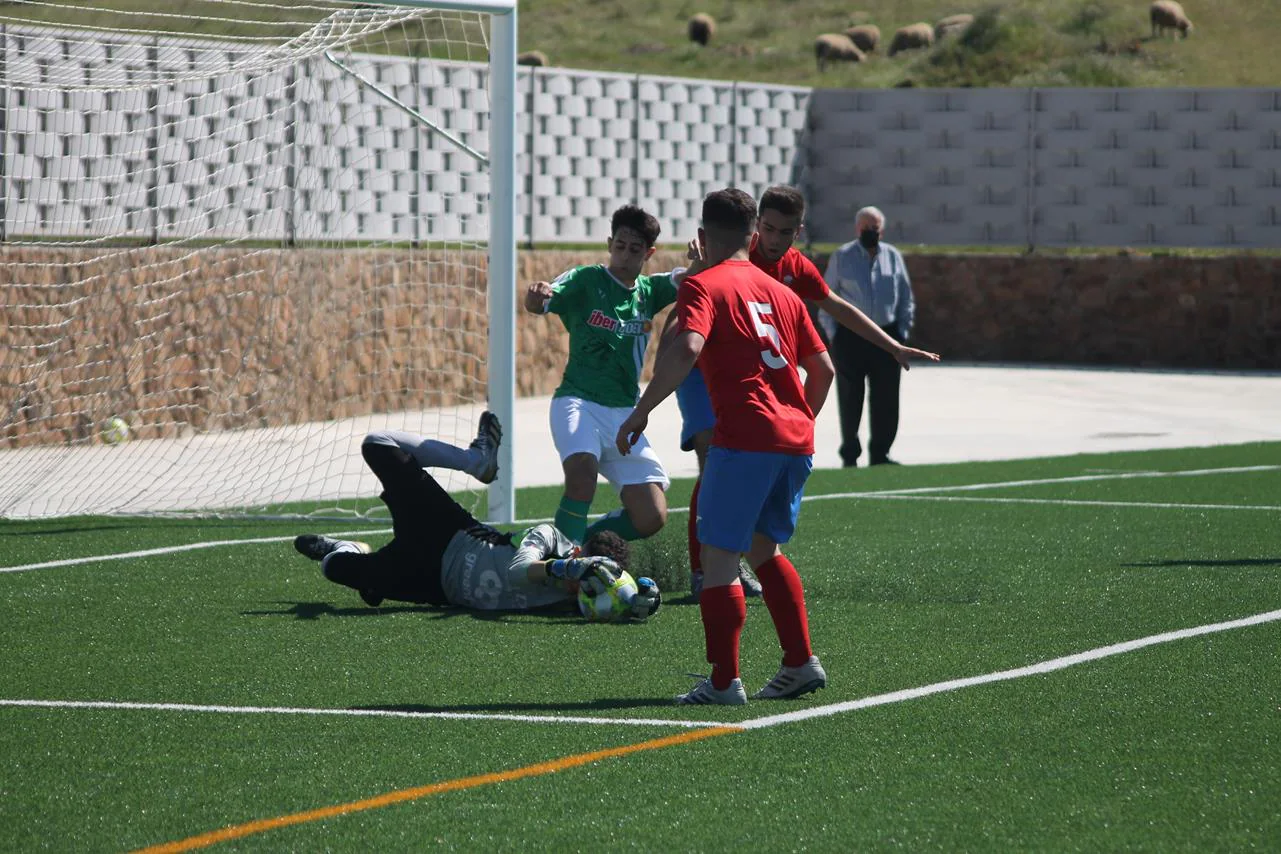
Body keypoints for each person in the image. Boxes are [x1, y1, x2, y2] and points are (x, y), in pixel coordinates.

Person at [616, 188, 834, 705]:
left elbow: (688, 346)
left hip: (746, 438)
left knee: (718, 560)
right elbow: (823, 370)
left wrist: (643, 409)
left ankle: (722, 682)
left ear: (702, 236)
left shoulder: (703, 285)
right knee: (763, 549)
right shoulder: (780, 291)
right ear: (754, 234)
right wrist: (798, 420)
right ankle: (801, 662)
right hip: (794, 440)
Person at [664, 186, 938, 595]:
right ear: (755, 226)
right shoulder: (732, 252)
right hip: (703, 372)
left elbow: (839, 307)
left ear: (799, 232)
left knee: (748, 470)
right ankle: (705, 569)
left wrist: (892, 345)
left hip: (755, 384)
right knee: (713, 455)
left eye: (785, 232)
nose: (774, 240)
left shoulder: (795, 266)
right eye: (769, 229)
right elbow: (686, 317)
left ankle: (733, 564)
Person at [293, 412, 661, 622]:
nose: (583, 591)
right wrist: (567, 570)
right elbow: (519, 571)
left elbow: (625, 600)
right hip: (448, 533)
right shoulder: (550, 539)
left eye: (590, 586)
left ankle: (349, 549)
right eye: (586, 576)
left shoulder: (584, 598)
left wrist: (640, 601)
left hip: (434, 587)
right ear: (579, 554)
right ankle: (474, 460)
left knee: (335, 567)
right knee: (377, 444)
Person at [524, 204, 679, 547]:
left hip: (625, 414)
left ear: (649, 252)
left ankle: (576, 545)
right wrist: (536, 296)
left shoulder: (650, 292)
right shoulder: (586, 280)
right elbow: (541, 301)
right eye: (619, 246)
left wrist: (703, 263)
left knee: (652, 516)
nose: (624, 255)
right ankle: (562, 568)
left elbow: (690, 279)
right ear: (610, 244)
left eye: (635, 249)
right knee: (582, 475)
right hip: (577, 401)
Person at [822, 205, 920, 467]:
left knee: (887, 397)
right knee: (850, 396)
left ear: (882, 230)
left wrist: (901, 333)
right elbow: (826, 296)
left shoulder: (893, 257)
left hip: (887, 336)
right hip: (850, 337)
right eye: (865, 228)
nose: (869, 232)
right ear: (857, 229)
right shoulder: (842, 256)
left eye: (874, 229)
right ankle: (850, 454)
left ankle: (881, 453)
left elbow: (905, 298)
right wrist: (834, 335)